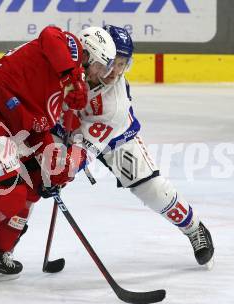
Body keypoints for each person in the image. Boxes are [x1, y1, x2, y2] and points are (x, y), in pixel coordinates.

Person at [0, 26, 117, 286]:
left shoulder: (63, 93)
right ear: (88, 55)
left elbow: (38, 130)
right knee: (11, 194)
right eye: (99, 67)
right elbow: (50, 34)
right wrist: (73, 76)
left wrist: (56, 165)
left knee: (33, 186)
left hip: (9, 128)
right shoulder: (70, 48)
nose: (101, 75)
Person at [59, 25, 214, 268]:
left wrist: (64, 167)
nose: (116, 71)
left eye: (123, 64)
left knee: (152, 190)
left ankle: (193, 228)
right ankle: (0, 250)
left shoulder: (115, 105)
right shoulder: (76, 64)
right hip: (72, 129)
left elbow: (86, 148)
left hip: (115, 137)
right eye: (114, 62)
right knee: (34, 177)